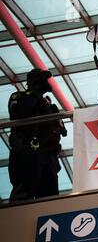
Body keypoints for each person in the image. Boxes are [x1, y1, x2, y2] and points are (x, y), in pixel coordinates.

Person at [8, 69, 66, 201]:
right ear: (32, 82)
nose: (45, 83)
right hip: (27, 153)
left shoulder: (48, 104)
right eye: (41, 80)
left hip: (49, 157)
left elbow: (61, 130)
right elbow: (21, 111)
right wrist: (36, 93)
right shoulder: (19, 97)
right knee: (22, 197)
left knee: (48, 200)